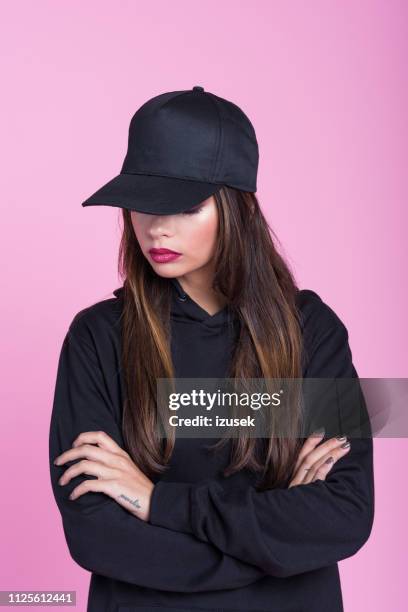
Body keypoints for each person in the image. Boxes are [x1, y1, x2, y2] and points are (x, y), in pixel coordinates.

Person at [49, 86, 374, 612]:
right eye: (141, 204)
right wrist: (273, 545)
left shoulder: (312, 330)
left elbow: (344, 515)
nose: (156, 227)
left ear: (237, 206)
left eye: (185, 207)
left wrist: (157, 502)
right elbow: (97, 536)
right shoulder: (98, 337)